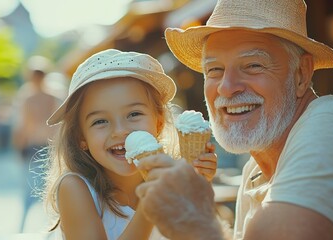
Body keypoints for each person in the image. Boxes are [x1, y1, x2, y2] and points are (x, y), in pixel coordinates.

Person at [135, 0, 333, 239]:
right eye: (214, 70)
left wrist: (193, 220)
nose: (227, 87)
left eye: (253, 65)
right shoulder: (254, 170)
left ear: (301, 74)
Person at [42, 49, 217, 239]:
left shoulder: (173, 177)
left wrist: (197, 188)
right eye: (100, 121)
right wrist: (152, 202)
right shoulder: (75, 187)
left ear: (158, 123)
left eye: (134, 114)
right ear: (80, 137)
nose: (119, 131)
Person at [11, 55, 62, 232]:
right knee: (38, 190)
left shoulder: (35, 97)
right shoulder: (41, 97)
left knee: (43, 191)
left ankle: (33, 230)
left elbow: (23, 126)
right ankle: (27, 230)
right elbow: (23, 127)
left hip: (45, 147)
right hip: (39, 147)